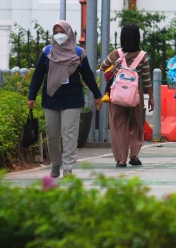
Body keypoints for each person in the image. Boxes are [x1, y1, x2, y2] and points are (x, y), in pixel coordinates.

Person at [28, 20, 102, 178]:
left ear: (69, 33)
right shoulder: (47, 52)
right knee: (52, 135)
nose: (59, 35)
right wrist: (31, 96)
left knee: (69, 134)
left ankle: (68, 167)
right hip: (51, 99)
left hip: (72, 99)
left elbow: (88, 76)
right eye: (56, 32)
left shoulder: (78, 53)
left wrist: (97, 95)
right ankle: (56, 164)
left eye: (62, 31)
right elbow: (38, 76)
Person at [100, 24, 154, 167]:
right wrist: (151, 97)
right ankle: (134, 155)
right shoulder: (143, 56)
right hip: (135, 94)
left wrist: (116, 67)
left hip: (117, 93)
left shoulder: (116, 54)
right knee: (136, 123)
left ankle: (121, 159)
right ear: (138, 38)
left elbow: (102, 66)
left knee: (118, 125)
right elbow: (146, 78)